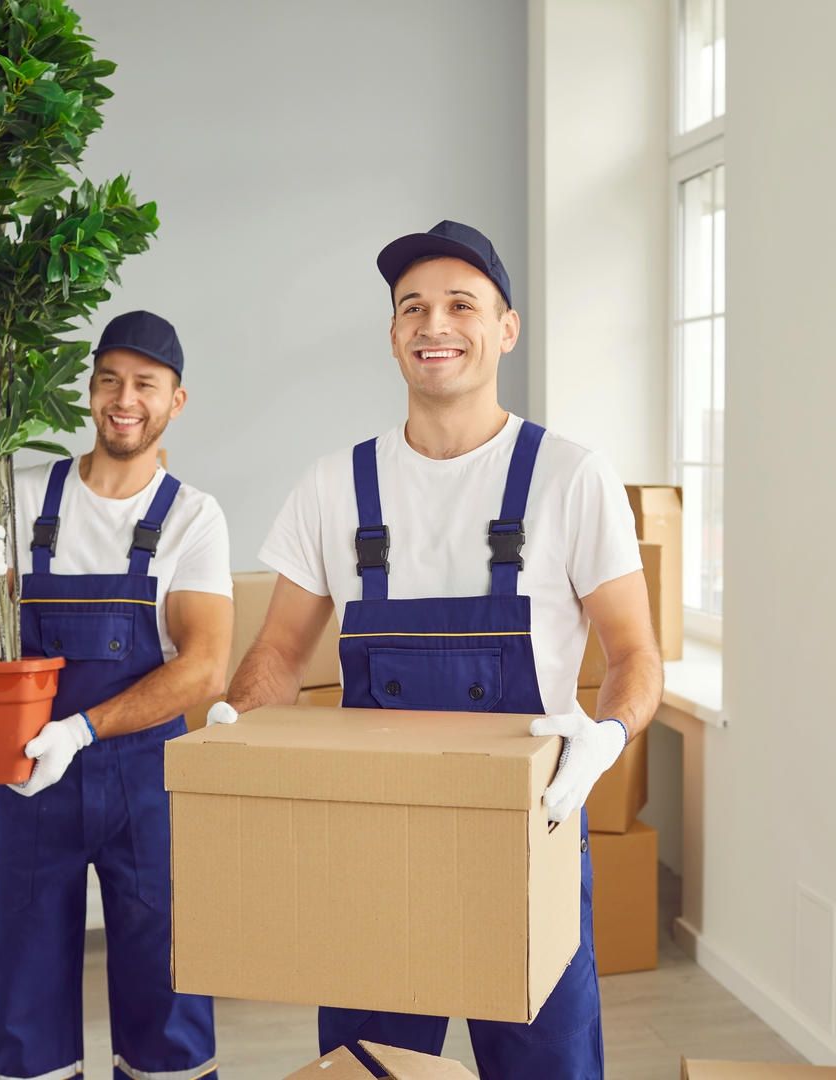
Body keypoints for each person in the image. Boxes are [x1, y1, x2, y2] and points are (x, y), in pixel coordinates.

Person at [208, 221, 663, 1078]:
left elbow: (637, 652)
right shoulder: (335, 485)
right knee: (367, 1069)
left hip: (530, 839)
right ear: (392, 336)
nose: (434, 324)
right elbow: (277, 648)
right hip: (374, 853)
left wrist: (604, 740)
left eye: (462, 304)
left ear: (505, 329)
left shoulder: (570, 477)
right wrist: (237, 729)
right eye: (412, 308)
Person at [0, 310, 230, 1080]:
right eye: (109, 381)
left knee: (169, 1001)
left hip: (150, 786)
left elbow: (203, 669)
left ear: (176, 401)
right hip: (28, 779)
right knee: (23, 1009)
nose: (124, 400)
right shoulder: (24, 495)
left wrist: (84, 731)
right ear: (90, 391)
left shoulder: (192, 517)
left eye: (145, 385)